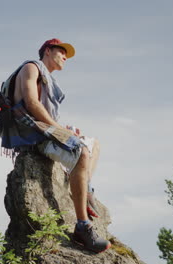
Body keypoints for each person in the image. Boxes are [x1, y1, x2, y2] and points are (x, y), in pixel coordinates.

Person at [11, 38, 111, 253]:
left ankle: (83, 188)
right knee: (82, 152)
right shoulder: (31, 67)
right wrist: (61, 131)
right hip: (33, 137)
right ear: (48, 51)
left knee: (94, 144)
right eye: (61, 51)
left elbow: (43, 110)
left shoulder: (47, 77)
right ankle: (83, 227)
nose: (65, 57)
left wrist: (64, 130)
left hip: (45, 133)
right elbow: (31, 103)